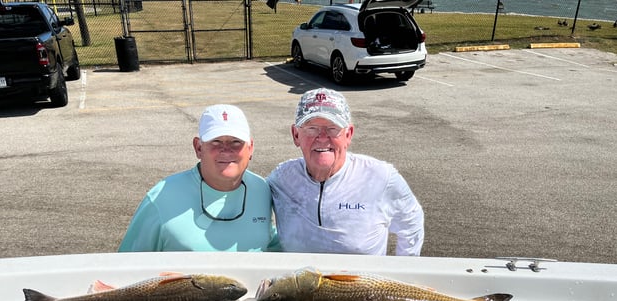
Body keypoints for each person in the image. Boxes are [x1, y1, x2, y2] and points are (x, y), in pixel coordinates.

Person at [267, 88, 424, 256]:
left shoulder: (380, 177)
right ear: (296, 135)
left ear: (348, 134)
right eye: (311, 128)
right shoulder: (281, 179)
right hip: (303, 282)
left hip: (362, 282)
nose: (322, 137)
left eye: (332, 128)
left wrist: (402, 270)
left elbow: (412, 221)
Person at [118, 104, 278, 252]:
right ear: (198, 147)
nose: (226, 150)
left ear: (250, 148)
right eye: (216, 141)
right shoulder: (161, 197)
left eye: (236, 142)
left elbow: (270, 245)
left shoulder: (261, 190)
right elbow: (127, 264)